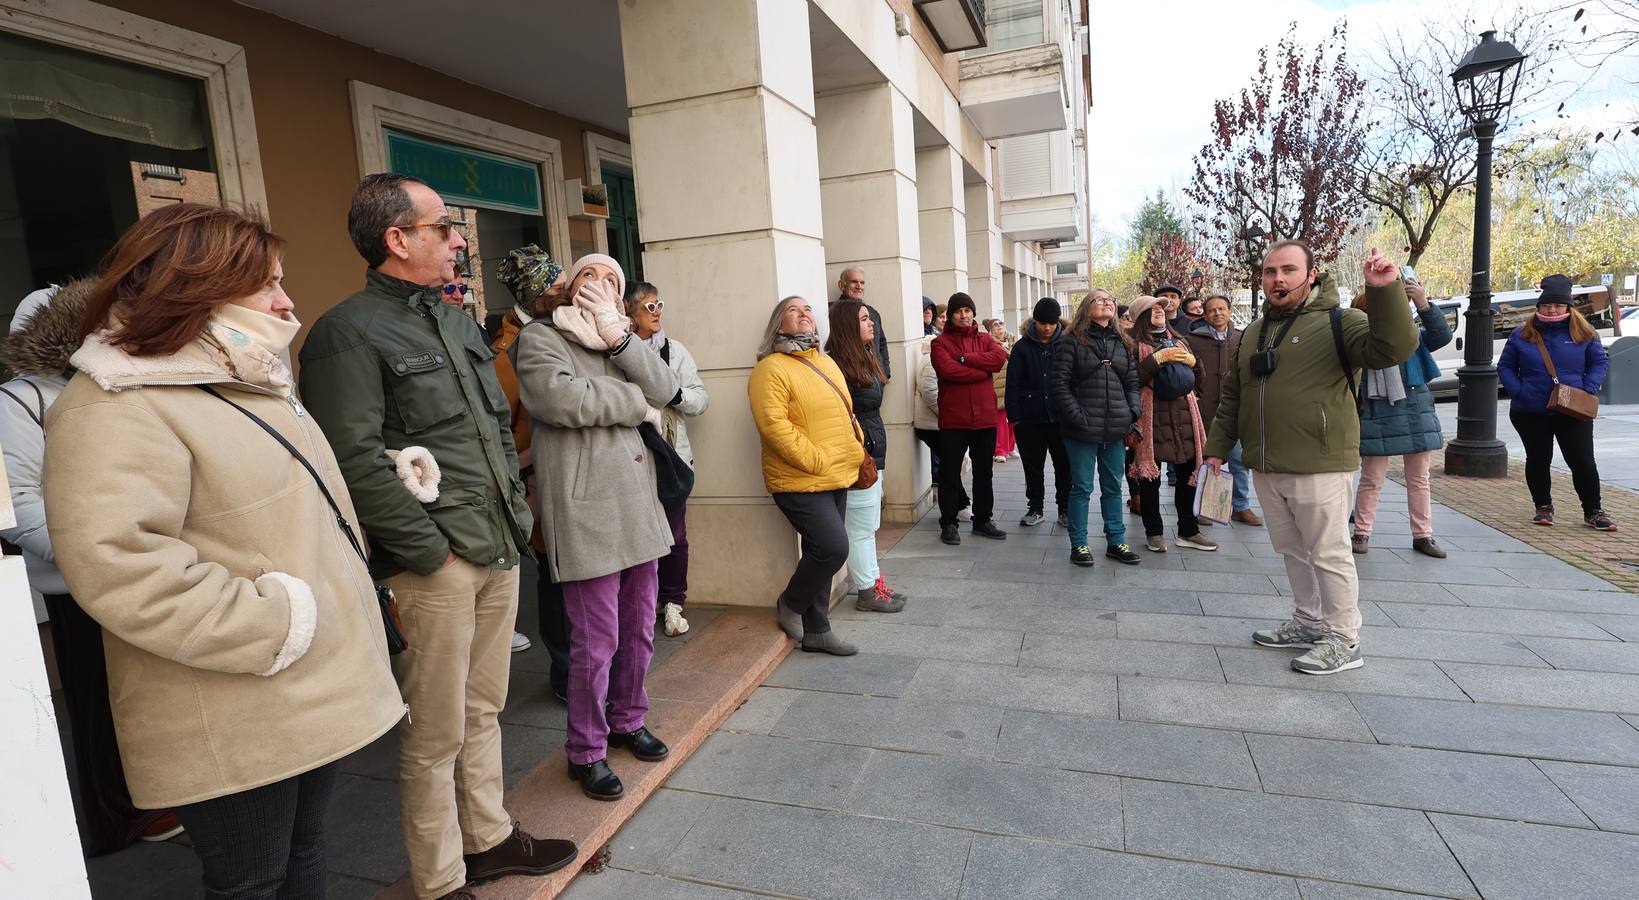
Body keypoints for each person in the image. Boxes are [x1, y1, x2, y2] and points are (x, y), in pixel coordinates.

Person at [43, 203, 409, 897]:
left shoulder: (242, 377)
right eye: (266, 283)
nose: (285, 299)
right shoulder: (114, 402)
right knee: (251, 881)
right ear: (197, 288)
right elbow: (119, 562)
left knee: (301, 854)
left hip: (301, 681)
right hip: (230, 695)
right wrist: (275, 623)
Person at [300, 174, 574, 899]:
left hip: (497, 544)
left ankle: (486, 841)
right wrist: (429, 552)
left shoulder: (457, 321)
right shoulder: (345, 333)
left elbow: (489, 431)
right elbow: (351, 458)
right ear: (398, 239)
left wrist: (516, 520)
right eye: (444, 227)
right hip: (435, 566)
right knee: (432, 735)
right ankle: (440, 878)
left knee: (483, 710)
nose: (459, 240)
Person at [2, 280, 182, 854]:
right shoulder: (17, 401)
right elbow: (15, 500)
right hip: (74, 577)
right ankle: (117, 815)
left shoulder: (112, 384)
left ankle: (153, 794)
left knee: (143, 690)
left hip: (136, 564)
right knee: (95, 699)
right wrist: (83, 549)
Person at [1206, 241, 1419, 676]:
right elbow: (1233, 398)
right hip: (1266, 463)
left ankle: (1343, 638)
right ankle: (1308, 621)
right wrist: (1215, 450)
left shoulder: (1343, 321)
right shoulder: (1252, 332)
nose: (1278, 279)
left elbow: (1395, 347)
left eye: (1288, 270)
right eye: (1270, 272)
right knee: (1291, 550)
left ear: (1311, 273)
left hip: (1321, 462)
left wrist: (1384, 289)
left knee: (1329, 552)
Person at [514, 254, 679, 802]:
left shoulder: (622, 339)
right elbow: (562, 399)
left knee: (638, 627)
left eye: (613, 279)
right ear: (570, 285)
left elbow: (664, 386)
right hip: (586, 510)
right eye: (590, 276)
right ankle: (586, 749)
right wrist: (633, 402)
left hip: (638, 505)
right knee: (596, 640)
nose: (602, 286)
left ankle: (629, 719)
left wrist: (621, 340)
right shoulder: (541, 338)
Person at [748, 295, 866, 656]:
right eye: (792, 310)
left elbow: (845, 412)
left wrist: (856, 447)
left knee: (821, 551)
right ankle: (790, 602)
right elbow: (774, 426)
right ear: (778, 324)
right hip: (800, 477)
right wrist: (814, 459)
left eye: (808, 309)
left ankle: (818, 630)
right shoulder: (771, 368)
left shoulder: (825, 362)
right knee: (833, 547)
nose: (803, 314)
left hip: (838, 472)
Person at [490, 245, 574, 699]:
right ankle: (565, 677)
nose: (566, 292)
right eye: (557, 286)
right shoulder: (508, 354)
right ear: (535, 294)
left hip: (563, 476)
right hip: (538, 482)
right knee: (557, 579)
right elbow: (503, 426)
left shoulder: (555, 330)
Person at [626, 280, 712, 634]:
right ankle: (641, 606)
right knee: (638, 538)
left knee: (676, 535)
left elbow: (701, 400)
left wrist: (674, 394)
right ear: (630, 312)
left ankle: (673, 602)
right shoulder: (614, 351)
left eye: (659, 304)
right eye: (648, 306)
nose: (657, 311)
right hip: (632, 456)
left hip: (671, 457)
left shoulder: (674, 352)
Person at [1498, 274, 1616, 531]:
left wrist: (1587, 387)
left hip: (1573, 408)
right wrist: (1519, 391)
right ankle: (1543, 507)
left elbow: (1599, 362)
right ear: (1539, 306)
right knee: (1538, 459)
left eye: (1558, 305)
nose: (1552, 309)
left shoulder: (1584, 333)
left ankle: (1593, 511)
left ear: (1568, 307)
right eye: (1547, 304)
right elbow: (1506, 366)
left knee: (1582, 460)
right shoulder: (1522, 334)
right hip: (1531, 409)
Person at [1352, 276, 1454, 556]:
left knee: (1419, 478)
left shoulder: (1412, 338)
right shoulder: (1363, 343)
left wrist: (1422, 302)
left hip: (1414, 410)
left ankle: (1423, 536)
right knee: (1371, 478)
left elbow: (1442, 336)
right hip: (1375, 411)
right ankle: (1361, 532)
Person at [1049, 290, 1143, 566]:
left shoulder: (1124, 343)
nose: (1107, 303)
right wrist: (1077, 416)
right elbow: (1059, 385)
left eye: (1110, 300)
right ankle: (1079, 544)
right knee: (1081, 487)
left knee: (1114, 486)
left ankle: (1116, 540)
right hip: (1081, 429)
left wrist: (1132, 412)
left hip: (1115, 428)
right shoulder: (1071, 342)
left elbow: (1133, 384)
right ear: (1086, 309)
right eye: (1099, 300)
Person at [825, 299, 905, 613]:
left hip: (872, 448)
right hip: (858, 454)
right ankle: (867, 591)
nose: (872, 323)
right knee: (860, 527)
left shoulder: (864, 355)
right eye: (863, 319)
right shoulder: (837, 365)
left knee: (870, 525)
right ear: (847, 326)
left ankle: (874, 581)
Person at [1127, 296, 1218, 554]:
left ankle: (1188, 530)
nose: (1159, 312)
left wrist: (1194, 363)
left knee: (1188, 473)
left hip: (1184, 417)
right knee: (1150, 478)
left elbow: (1197, 378)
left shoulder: (1180, 340)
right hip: (1151, 416)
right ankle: (1154, 532)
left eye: (1162, 309)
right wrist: (1156, 360)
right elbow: (1131, 380)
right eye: (1152, 309)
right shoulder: (1133, 344)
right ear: (1140, 315)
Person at [932, 292, 1009, 545]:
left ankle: (983, 520)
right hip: (954, 420)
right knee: (950, 474)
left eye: (967, 310)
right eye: (958, 311)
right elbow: (947, 370)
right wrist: (981, 371)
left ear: (973, 313)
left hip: (985, 419)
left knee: (984, 472)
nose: (964, 316)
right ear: (951, 316)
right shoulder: (940, 344)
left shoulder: (985, 339)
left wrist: (967, 360)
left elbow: (998, 360)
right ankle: (949, 523)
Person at [1186, 294, 1260, 526]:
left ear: (1229, 311)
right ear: (1205, 315)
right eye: (1212, 310)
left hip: (1234, 410)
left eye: (1221, 309)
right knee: (1203, 460)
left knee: (1238, 460)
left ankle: (1241, 506)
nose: (1217, 314)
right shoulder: (1193, 340)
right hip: (1203, 408)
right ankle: (1204, 506)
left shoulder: (1243, 338)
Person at [1007, 298, 1072, 529]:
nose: (1046, 328)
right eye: (1042, 323)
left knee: (1064, 465)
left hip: (1061, 418)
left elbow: (1075, 379)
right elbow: (1012, 382)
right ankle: (1035, 508)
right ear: (1035, 321)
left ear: (1057, 322)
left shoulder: (1068, 343)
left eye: (1051, 323)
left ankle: (1065, 509)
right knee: (1032, 467)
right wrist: (1014, 416)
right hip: (1029, 418)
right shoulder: (1022, 347)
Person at [834, 266, 891, 379]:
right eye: (854, 282)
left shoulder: (873, 313)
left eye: (862, 282)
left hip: (877, 379)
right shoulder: (836, 314)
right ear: (841, 285)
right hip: (852, 379)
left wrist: (885, 372)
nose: (859, 286)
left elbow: (882, 343)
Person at [984, 318, 1016, 463]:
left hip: (1013, 386)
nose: (999, 327)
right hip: (998, 386)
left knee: (1013, 419)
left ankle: (1010, 448)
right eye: (995, 325)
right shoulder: (989, 344)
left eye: (1001, 324)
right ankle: (999, 450)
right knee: (1001, 421)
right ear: (991, 330)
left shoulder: (1013, 341)